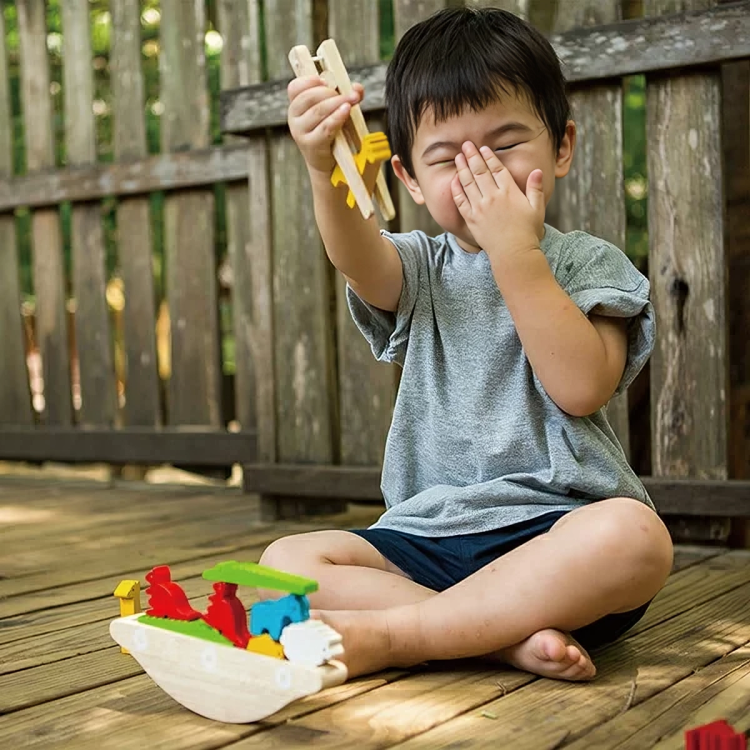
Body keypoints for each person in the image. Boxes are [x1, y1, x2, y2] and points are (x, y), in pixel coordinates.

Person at [259, 6, 673, 681]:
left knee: (637, 538)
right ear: (411, 180)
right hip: (428, 536)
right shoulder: (421, 267)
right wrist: (320, 167)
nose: (480, 170)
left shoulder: (589, 265)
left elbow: (580, 385)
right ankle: (494, 637)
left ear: (561, 146)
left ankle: (403, 633)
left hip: (558, 535)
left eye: (506, 143)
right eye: (449, 157)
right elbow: (355, 255)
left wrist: (517, 252)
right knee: (282, 565)